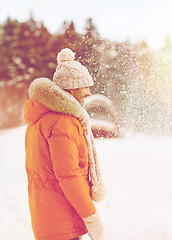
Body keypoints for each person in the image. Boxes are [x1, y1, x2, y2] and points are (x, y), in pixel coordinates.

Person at [24, 48, 105, 240]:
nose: (88, 93)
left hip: (48, 215)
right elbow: (69, 176)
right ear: (70, 89)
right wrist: (92, 217)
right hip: (62, 220)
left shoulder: (40, 118)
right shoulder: (62, 122)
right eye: (85, 88)